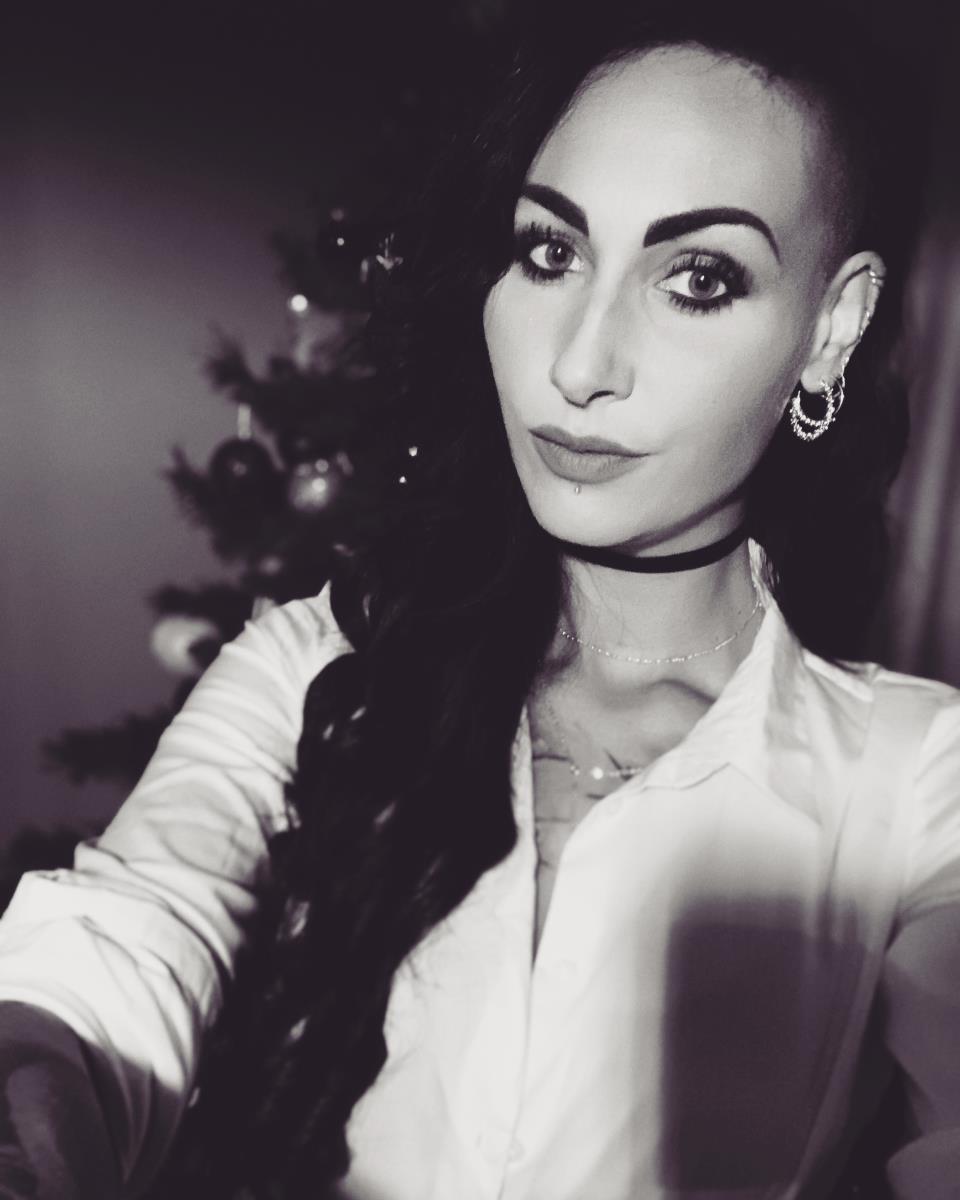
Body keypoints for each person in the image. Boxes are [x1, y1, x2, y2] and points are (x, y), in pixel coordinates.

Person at [0, 1, 956, 1197]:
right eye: (550, 253)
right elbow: (133, 928)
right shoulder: (315, 668)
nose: (579, 364)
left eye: (698, 278)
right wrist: (41, 1088)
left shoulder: (921, 786)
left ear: (832, 329)